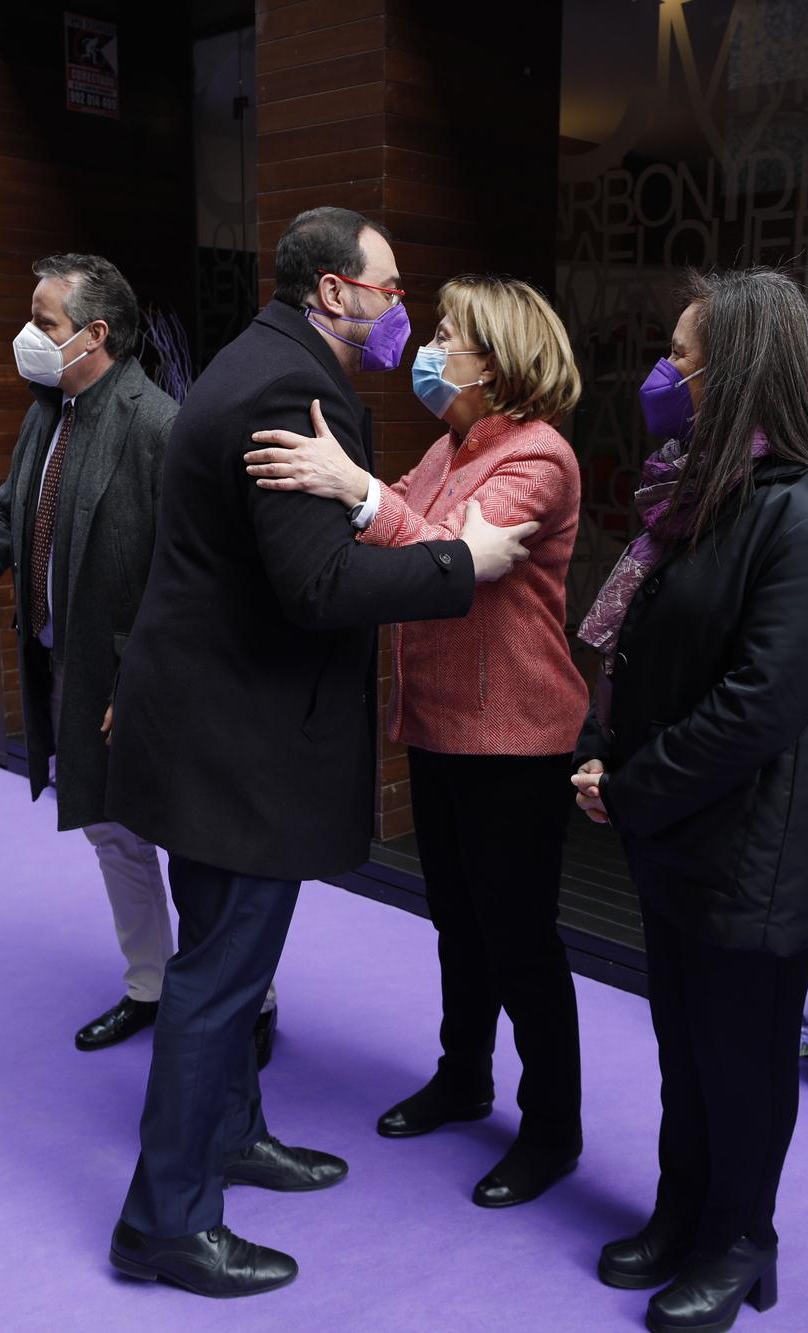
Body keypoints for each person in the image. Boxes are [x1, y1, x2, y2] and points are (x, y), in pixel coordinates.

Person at [101, 206, 540, 1299]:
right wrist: (463, 561)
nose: (404, 314)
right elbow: (315, 588)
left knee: (221, 957)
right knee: (219, 980)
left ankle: (231, 1137)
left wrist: (363, 497)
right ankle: (164, 1219)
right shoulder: (279, 386)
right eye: (392, 291)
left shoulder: (268, 360)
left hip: (213, 725)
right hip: (237, 740)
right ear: (337, 290)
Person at [570, 268, 808, 1333]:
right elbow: (643, 654)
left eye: (683, 358)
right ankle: (681, 1209)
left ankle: (742, 1240)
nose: (664, 374)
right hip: (678, 832)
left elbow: (757, 705)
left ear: (739, 372)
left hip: (753, 849)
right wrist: (605, 748)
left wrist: (631, 785)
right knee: (682, 1048)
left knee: (739, 1063)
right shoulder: (700, 501)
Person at [243, 275, 589, 1207]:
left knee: (520, 938)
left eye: (450, 334)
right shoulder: (451, 447)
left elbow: (442, 559)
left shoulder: (539, 457)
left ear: (502, 358)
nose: (431, 348)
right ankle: (464, 1075)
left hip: (516, 734)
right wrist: (349, 503)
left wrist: (355, 490)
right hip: (440, 723)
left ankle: (552, 1129)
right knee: (458, 921)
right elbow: (411, 528)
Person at [0, 254, 281, 1067]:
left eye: (46, 321)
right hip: (68, 666)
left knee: (195, 845)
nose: (27, 335)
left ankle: (251, 1001)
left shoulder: (158, 425)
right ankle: (149, 986)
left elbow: (192, 570)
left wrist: (141, 673)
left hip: (143, 677)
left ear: (96, 334)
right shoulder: (49, 408)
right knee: (113, 835)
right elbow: (13, 504)